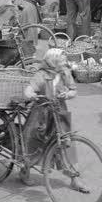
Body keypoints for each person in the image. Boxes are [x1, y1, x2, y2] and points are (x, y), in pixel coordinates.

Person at [21, 49, 87, 193]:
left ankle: (74, 178)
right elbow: (28, 90)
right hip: (42, 114)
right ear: (53, 61)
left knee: (66, 143)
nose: (64, 62)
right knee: (34, 143)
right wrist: (31, 96)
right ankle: (25, 169)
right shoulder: (41, 75)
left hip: (59, 112)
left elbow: (73, 90)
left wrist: (67, 95)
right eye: (61, 60)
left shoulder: (65, 73)